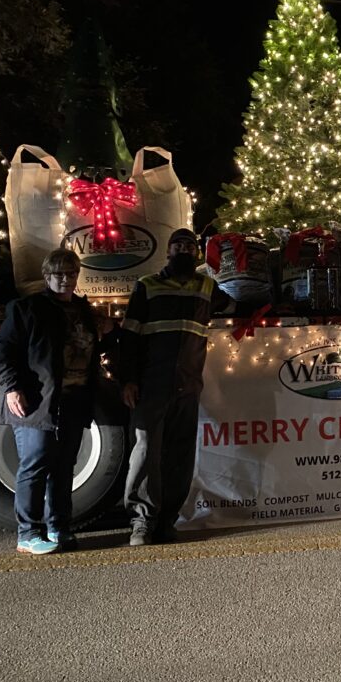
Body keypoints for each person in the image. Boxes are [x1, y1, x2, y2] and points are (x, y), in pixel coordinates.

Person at [0, 249, 107, 555]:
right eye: (58, 274)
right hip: (36, 403)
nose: (65, 279)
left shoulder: (84, 311)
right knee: (36, 462)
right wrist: (11, 387)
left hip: (73, 400)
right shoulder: (27, 308)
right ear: (46, 277)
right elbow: (4, 351)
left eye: (70, 273)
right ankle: (28, 533)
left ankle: (58, 527)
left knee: (63, 466)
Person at [119, 228, 226, 546]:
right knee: (146, 453)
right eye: (177, 245)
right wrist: (128, 380)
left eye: (189, 246)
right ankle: (141, 522)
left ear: (195, 253)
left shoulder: (207, 286)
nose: (183, 250)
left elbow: (237, 305)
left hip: (188, 386)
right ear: (168, 251)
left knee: (180, 457)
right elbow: (129, 337)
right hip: (151, 385)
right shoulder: (148, 286)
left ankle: (166, 521)